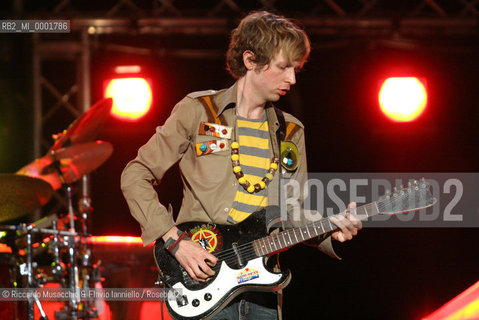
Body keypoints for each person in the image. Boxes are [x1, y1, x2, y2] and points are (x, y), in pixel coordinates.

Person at [121, 11, 362, 320]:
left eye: (296, 68)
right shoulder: (199, 112)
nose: (292, 78)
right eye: (283, 67)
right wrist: (174, 241)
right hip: (202, 279)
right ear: (251, 60)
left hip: (262, 291)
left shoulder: (291, 132)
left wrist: (329, 229)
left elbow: (289, 211)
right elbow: (135, 175)